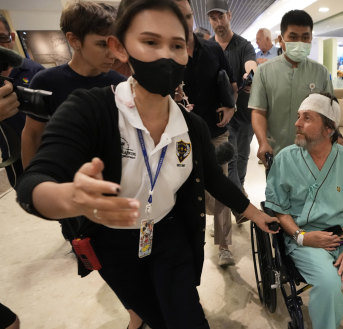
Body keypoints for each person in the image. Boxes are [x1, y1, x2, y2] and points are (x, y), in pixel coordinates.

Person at [15, 0, 278, 328]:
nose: (166, 55)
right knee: (149, 313)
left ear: (188, 53)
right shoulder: (91, 109)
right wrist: (71, 198)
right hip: (113, 242)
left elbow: (211, 176)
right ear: (120, 48)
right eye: (151, 42)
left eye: (177, 45)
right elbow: (34, 181)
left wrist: (254, 213)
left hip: (170, 233)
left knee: (186, 317)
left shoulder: (191, 126)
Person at [265, 93, 343, 329]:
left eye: (306, 118)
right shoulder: (285, 159)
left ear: (329, 129)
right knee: (328, 286)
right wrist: (303, 236)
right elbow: (279, 211)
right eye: (299, 116)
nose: (297, 123)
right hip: (304, 239)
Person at [21, 2, 126, 169]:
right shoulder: (45, 82)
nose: (113, 53)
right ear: (74, 40)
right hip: (64, 173)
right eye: (102, 44)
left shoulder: (121, 84)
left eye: (115, 44)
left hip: (110, 175)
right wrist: (32, 184)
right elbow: (32, 135)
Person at [175, 0, 239, 266]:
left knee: (220, 185)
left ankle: (224, 244)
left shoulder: (212, 49)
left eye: (188, 15)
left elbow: (228, 81)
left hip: (215, 131)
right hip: (179, 136)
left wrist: (231, 106)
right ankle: (192, 239)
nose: (184, 20)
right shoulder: (166, 54)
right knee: (187, 189)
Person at [250, 9, 333, 164]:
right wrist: (263, 142)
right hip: (276, 154)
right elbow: (258, 111)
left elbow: (329, 112)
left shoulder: (321, 72)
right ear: (281, 39)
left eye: (305, 37)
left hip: (313, 156)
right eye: (293, 37)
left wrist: (335, 138)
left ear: (311, 39)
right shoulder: (264, 71)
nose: (300, 42)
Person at [207, 0, 257, 238]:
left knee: (243, 157)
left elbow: (250, 63)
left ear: (229, 15)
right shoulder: (208, 48)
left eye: (221, 17)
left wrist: (250, 73)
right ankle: (240, 202)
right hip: (221, 117)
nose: (218, 23)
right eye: (213, 18)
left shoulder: (243, 44)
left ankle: (239, 193)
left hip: (244, 114)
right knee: (231, 161)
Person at [0, 14, 44, 187]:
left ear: (11, 37)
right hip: (12, 153)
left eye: (1, 38)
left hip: (43, 148)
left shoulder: (35, 71)